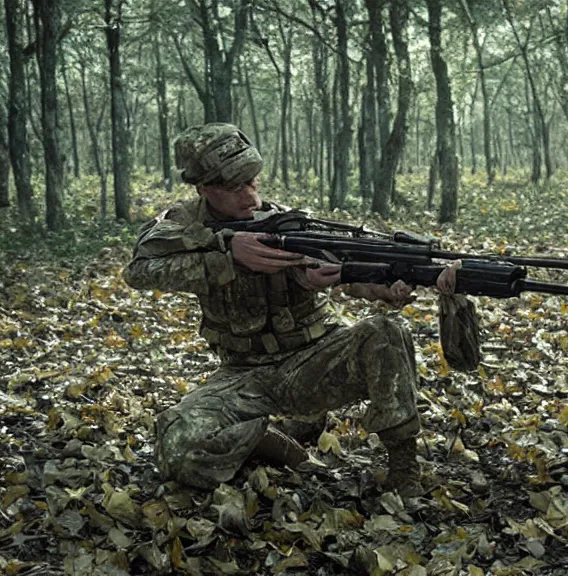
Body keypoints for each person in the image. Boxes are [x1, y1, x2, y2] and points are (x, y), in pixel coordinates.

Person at [124, 123, 459, 496]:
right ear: (204, 189)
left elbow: (345, 269)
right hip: (243, 375)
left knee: (386, 331)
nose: (250, 196)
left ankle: (403, 468)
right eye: (236, 188)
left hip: (314, 361)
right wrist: (228, 255)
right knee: (177, 449)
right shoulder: (185, 223)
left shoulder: (287, 223)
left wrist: (380, 286)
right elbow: (140, 269)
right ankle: (271, 440)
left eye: (253, 182)